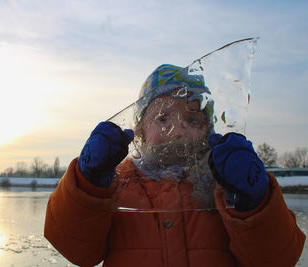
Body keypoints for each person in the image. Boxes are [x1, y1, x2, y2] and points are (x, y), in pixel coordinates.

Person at [44, 64, 305, 267]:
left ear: (208, 131)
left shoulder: (222, 186)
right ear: (140, 130)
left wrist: (253, 203)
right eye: (162, 118)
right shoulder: (117, 183)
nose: (177, 130)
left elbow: (276, 259)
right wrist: (90, 183)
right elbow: (78, 251)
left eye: (192, 120)